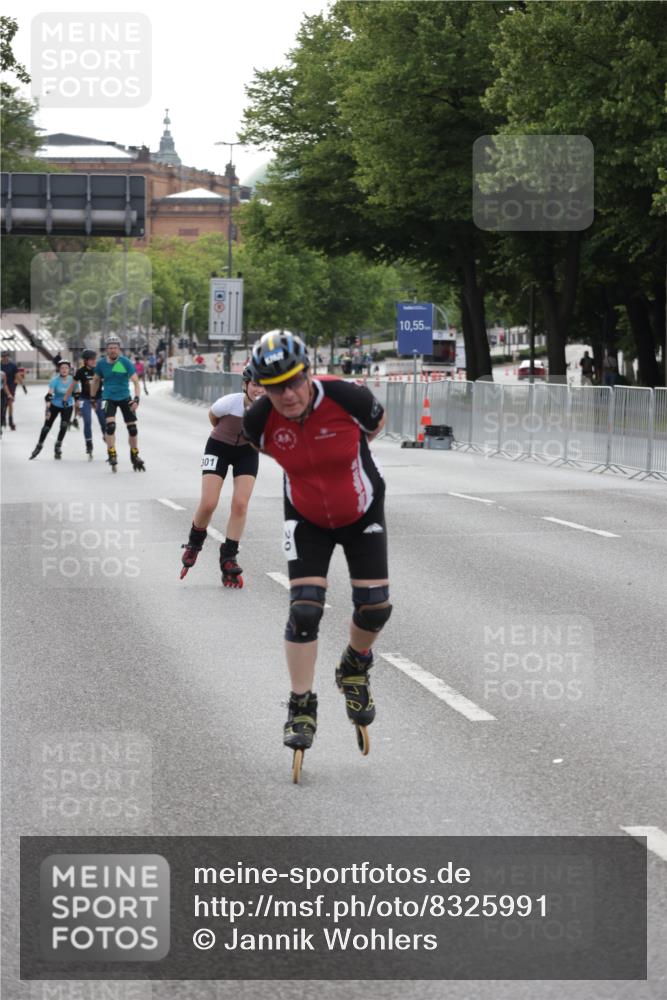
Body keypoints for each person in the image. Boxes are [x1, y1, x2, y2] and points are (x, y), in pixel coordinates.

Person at [243, 331, 391, 766]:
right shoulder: (258, 422)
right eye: (274, 388)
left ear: (308, 374)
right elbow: (260, 445)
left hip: (362, 510)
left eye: (293, 382)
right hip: (306, 518)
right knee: (305, 610)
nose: (287, 395)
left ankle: (354, 665)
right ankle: (301, 704)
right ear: (261, 387)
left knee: (376, 607)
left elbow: (376, 427)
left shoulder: (348, 397)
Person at [180, 366, 265, 587]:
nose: (260, 390)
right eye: (255, 384)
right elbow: (213, 417)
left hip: (247, 452)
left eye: (265, 385)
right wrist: (226, 435)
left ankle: (229, 556)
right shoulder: (229, 402)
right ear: (245, 385)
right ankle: (194, 542)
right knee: (209, 503)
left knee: (240, 505)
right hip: (218, 447)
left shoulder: (271, 407)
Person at [90, 336, 145, 471]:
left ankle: (134, 454)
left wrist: (136, 399)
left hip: (125, 397)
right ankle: (112, 452)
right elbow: (96, 381)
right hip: (108, 398)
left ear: (119, 349)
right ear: (107, 350)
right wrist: (92, 398)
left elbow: (136, 382)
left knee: (132, 429)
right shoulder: (101, 364)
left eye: (115, 348)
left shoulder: (125, 362)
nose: (113, 350)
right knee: (110, 426)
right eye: (110, 348)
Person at [29, 360, 78, 459]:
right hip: (55, 405)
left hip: (67, 405)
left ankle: (58, 445)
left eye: (66, 368)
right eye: (62, 368)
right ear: (59, 369)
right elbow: (49, 395)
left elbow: (77, 395)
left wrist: (78, 411)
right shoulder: (54, 380)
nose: (64, 370)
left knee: (64, 425)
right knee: (47, 427)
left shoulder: (73, 380)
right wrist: (47, 409)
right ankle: (39, 445)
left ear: (69, 370)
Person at [73, 350, 107, 459]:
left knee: (103, 422)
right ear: (86, 361)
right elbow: (75, 386)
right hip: (85, 399)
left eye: (94, 359)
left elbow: (108, 381)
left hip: (99, 398)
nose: (94, 361)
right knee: (87, 421)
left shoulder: (100, 370)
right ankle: (89, 443)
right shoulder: (80, 371)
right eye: (91, 359)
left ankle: (107, 440)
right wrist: (77, 400)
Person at [1, 349, 24, 430]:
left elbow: (17, 376)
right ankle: (2, 419)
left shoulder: (12, 366)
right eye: (3, 356)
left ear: (8, 356)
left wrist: (23, 385)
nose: (4, 358)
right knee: (2, 404)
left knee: (10, 403)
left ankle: (11, 422)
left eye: (6, 356)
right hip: (1, 386)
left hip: (11, 386)